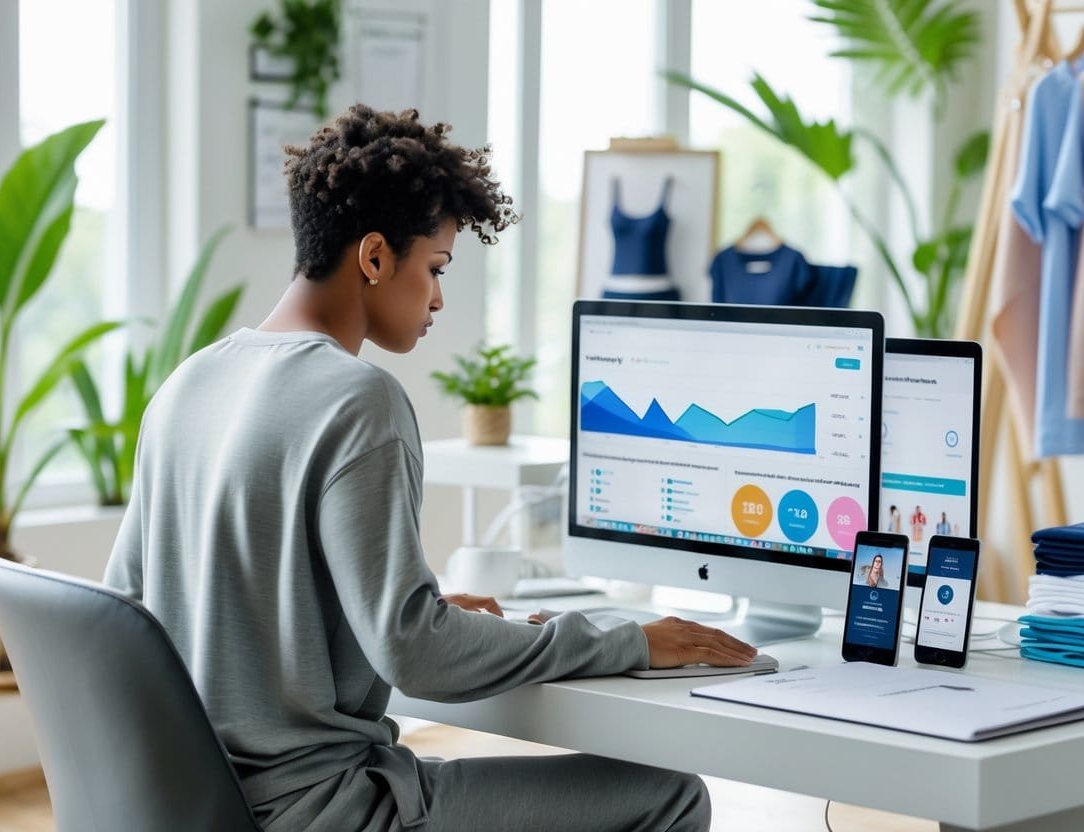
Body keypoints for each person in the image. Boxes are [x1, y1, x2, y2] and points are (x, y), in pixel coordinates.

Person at [104, 106, 755, 832]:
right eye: (435, 268)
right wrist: (627, 640)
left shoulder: (189, 382)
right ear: (375, 257)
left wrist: (425, 613)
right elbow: (412, 654)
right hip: (324, 810)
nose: (439, 298)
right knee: (670, 794)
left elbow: (129, 610)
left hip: (193, 802)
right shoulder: (359, 400)